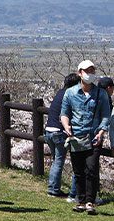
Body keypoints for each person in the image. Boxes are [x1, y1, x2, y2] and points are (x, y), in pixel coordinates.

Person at [60, 60, 110, 215]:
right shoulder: (71, 93)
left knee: (92, 169)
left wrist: (101, 131)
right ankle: (81, 201)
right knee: (79, 170)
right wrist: (66, 126)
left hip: (93, 137)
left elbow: (105, 115)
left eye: (92, 71)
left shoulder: (100, 93)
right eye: (87, 71)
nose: (90, 74)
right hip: (76, 137)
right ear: (79, 73)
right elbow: (64, 113)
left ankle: (90, 201)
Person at [45, 73, 79, 197]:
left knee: (56, 161)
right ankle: (53, 189)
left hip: (49, 130)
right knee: (58, 162)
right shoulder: (69, 95)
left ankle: (54, 188)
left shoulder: (60, 92)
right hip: (59, 131)